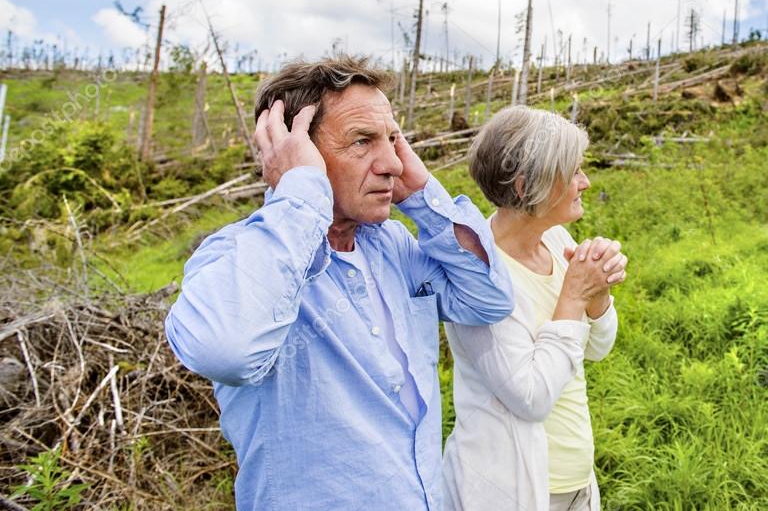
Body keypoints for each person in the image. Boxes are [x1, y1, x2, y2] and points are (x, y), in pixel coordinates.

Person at [164, 58, 514, 510]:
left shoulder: (390, 245)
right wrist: (301, 191)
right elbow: (225, 351)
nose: (391, 163)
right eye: (362, 142)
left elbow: (487, 298)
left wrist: (423, 195)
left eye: (392, 139)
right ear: (294, 152)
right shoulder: (235, 257)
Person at [442, 106, 624, 511]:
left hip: (576, 480)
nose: (586, 182)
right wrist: (573, 297)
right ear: (526, 187)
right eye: (573, 171)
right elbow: (530, 396)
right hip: (515, 490)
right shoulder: (478, 277)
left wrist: (597, 297)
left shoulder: (557, 240)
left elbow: (594, 350)